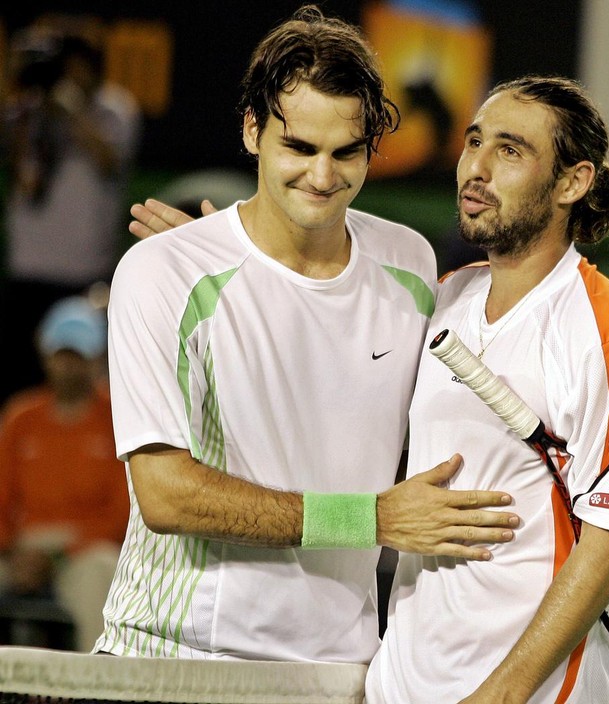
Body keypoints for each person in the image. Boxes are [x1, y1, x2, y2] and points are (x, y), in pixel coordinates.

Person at [131, 74, 609, 702]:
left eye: (510, 150)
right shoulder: (447, 297)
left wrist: (497, 698)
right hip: (399, 688)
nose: (476, 168)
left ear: (573, 183)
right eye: (474, 143)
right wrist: (225, 257)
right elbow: (326, 350)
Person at [96, 5, 517, 663]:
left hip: (336, 668)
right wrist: (372, 520)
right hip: (178, 657)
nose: (322, 178)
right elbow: (165, 494)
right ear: (252, 131)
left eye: (345, 152)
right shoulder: (164, 274)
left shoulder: (407, 262)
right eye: (298, 147)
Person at [0, 26, 142, 406]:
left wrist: (69, 107)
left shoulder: (114, 107)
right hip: (28, 271)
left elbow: (108, 158)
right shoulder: (27, 110)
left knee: (88, 389)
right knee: (21, 385)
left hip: (84, 271)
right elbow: (22, 177)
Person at [0, 296, 129, 652]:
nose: (69, 366)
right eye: (62, 354)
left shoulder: (118, 416)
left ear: (98, 360)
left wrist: (61, 553)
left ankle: (92, 687)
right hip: (23, 543)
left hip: (85, 548)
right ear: (45, 355)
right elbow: (1, 495)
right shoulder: (20, 417)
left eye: (79, 356)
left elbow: (122, 514)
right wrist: (11, 550)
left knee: (103, 569)